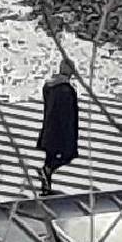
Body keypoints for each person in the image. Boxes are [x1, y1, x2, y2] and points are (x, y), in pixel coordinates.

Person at [36, 59, 80, 194]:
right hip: (61, 131)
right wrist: (71, 135)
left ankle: (46, 185)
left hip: (49, 128)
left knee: (50, 156)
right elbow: (68, 114)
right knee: (69, 155)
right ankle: (47, 172)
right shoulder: (66, 89)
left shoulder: (49, 86)